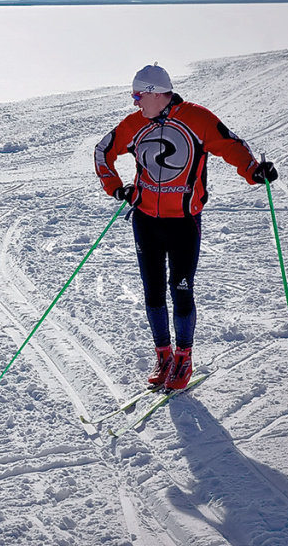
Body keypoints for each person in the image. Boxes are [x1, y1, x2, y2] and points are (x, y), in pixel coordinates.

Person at [94, 64, 277, 390]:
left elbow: (230, 145)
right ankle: (163, 354)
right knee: (152, 289)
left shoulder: (198, 118)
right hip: (145, 220)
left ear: (154, 93)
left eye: (138, 95)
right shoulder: (135, 124)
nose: (135, 102)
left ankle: (184, 357)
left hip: (183, 223)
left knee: (181, 289)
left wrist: (254, 171)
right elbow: (102, 151)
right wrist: (117, 188)